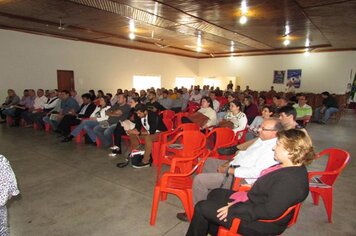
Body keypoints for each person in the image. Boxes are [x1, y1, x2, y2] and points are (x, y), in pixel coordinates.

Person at [186, 129, 315, 236]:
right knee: (215, 194)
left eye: (278, 144)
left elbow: (269, 212)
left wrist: (233, 209)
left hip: (260, 224)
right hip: (254, 203)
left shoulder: (289, 182)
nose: (274, 148)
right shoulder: (290, 167)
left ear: (290, 151)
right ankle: (216, 230)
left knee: (202, 207)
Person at [177, 118, 282, 222]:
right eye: (260, 127)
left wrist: (229, 170)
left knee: (200, 180)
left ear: (275, 133)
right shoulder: (262, 139)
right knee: (208, 162)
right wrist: (229, 163)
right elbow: (243, 154)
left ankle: (197, 215)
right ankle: (207, 197)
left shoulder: (273, 149)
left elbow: (255, 172)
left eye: (263, 129)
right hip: (235, 166)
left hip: (241, 179)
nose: (259, 130)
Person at [127, 104, 167, 168]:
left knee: (148, 138)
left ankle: (146, 160)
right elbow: (137, 127)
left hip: (160, 133)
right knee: (132, 134)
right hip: (150, 132)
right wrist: (132, 131)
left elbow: (151, 131)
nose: (138, 115)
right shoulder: (138, 115)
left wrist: (139, 133)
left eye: (139, 113)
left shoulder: (154, 116)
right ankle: (136, 152)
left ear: (145, 112)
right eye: (137, 113)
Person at [0, 154, 20, 236]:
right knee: (2, 227)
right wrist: (12, 190)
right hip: (1, 201)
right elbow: (10, 175)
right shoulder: (1, 159)